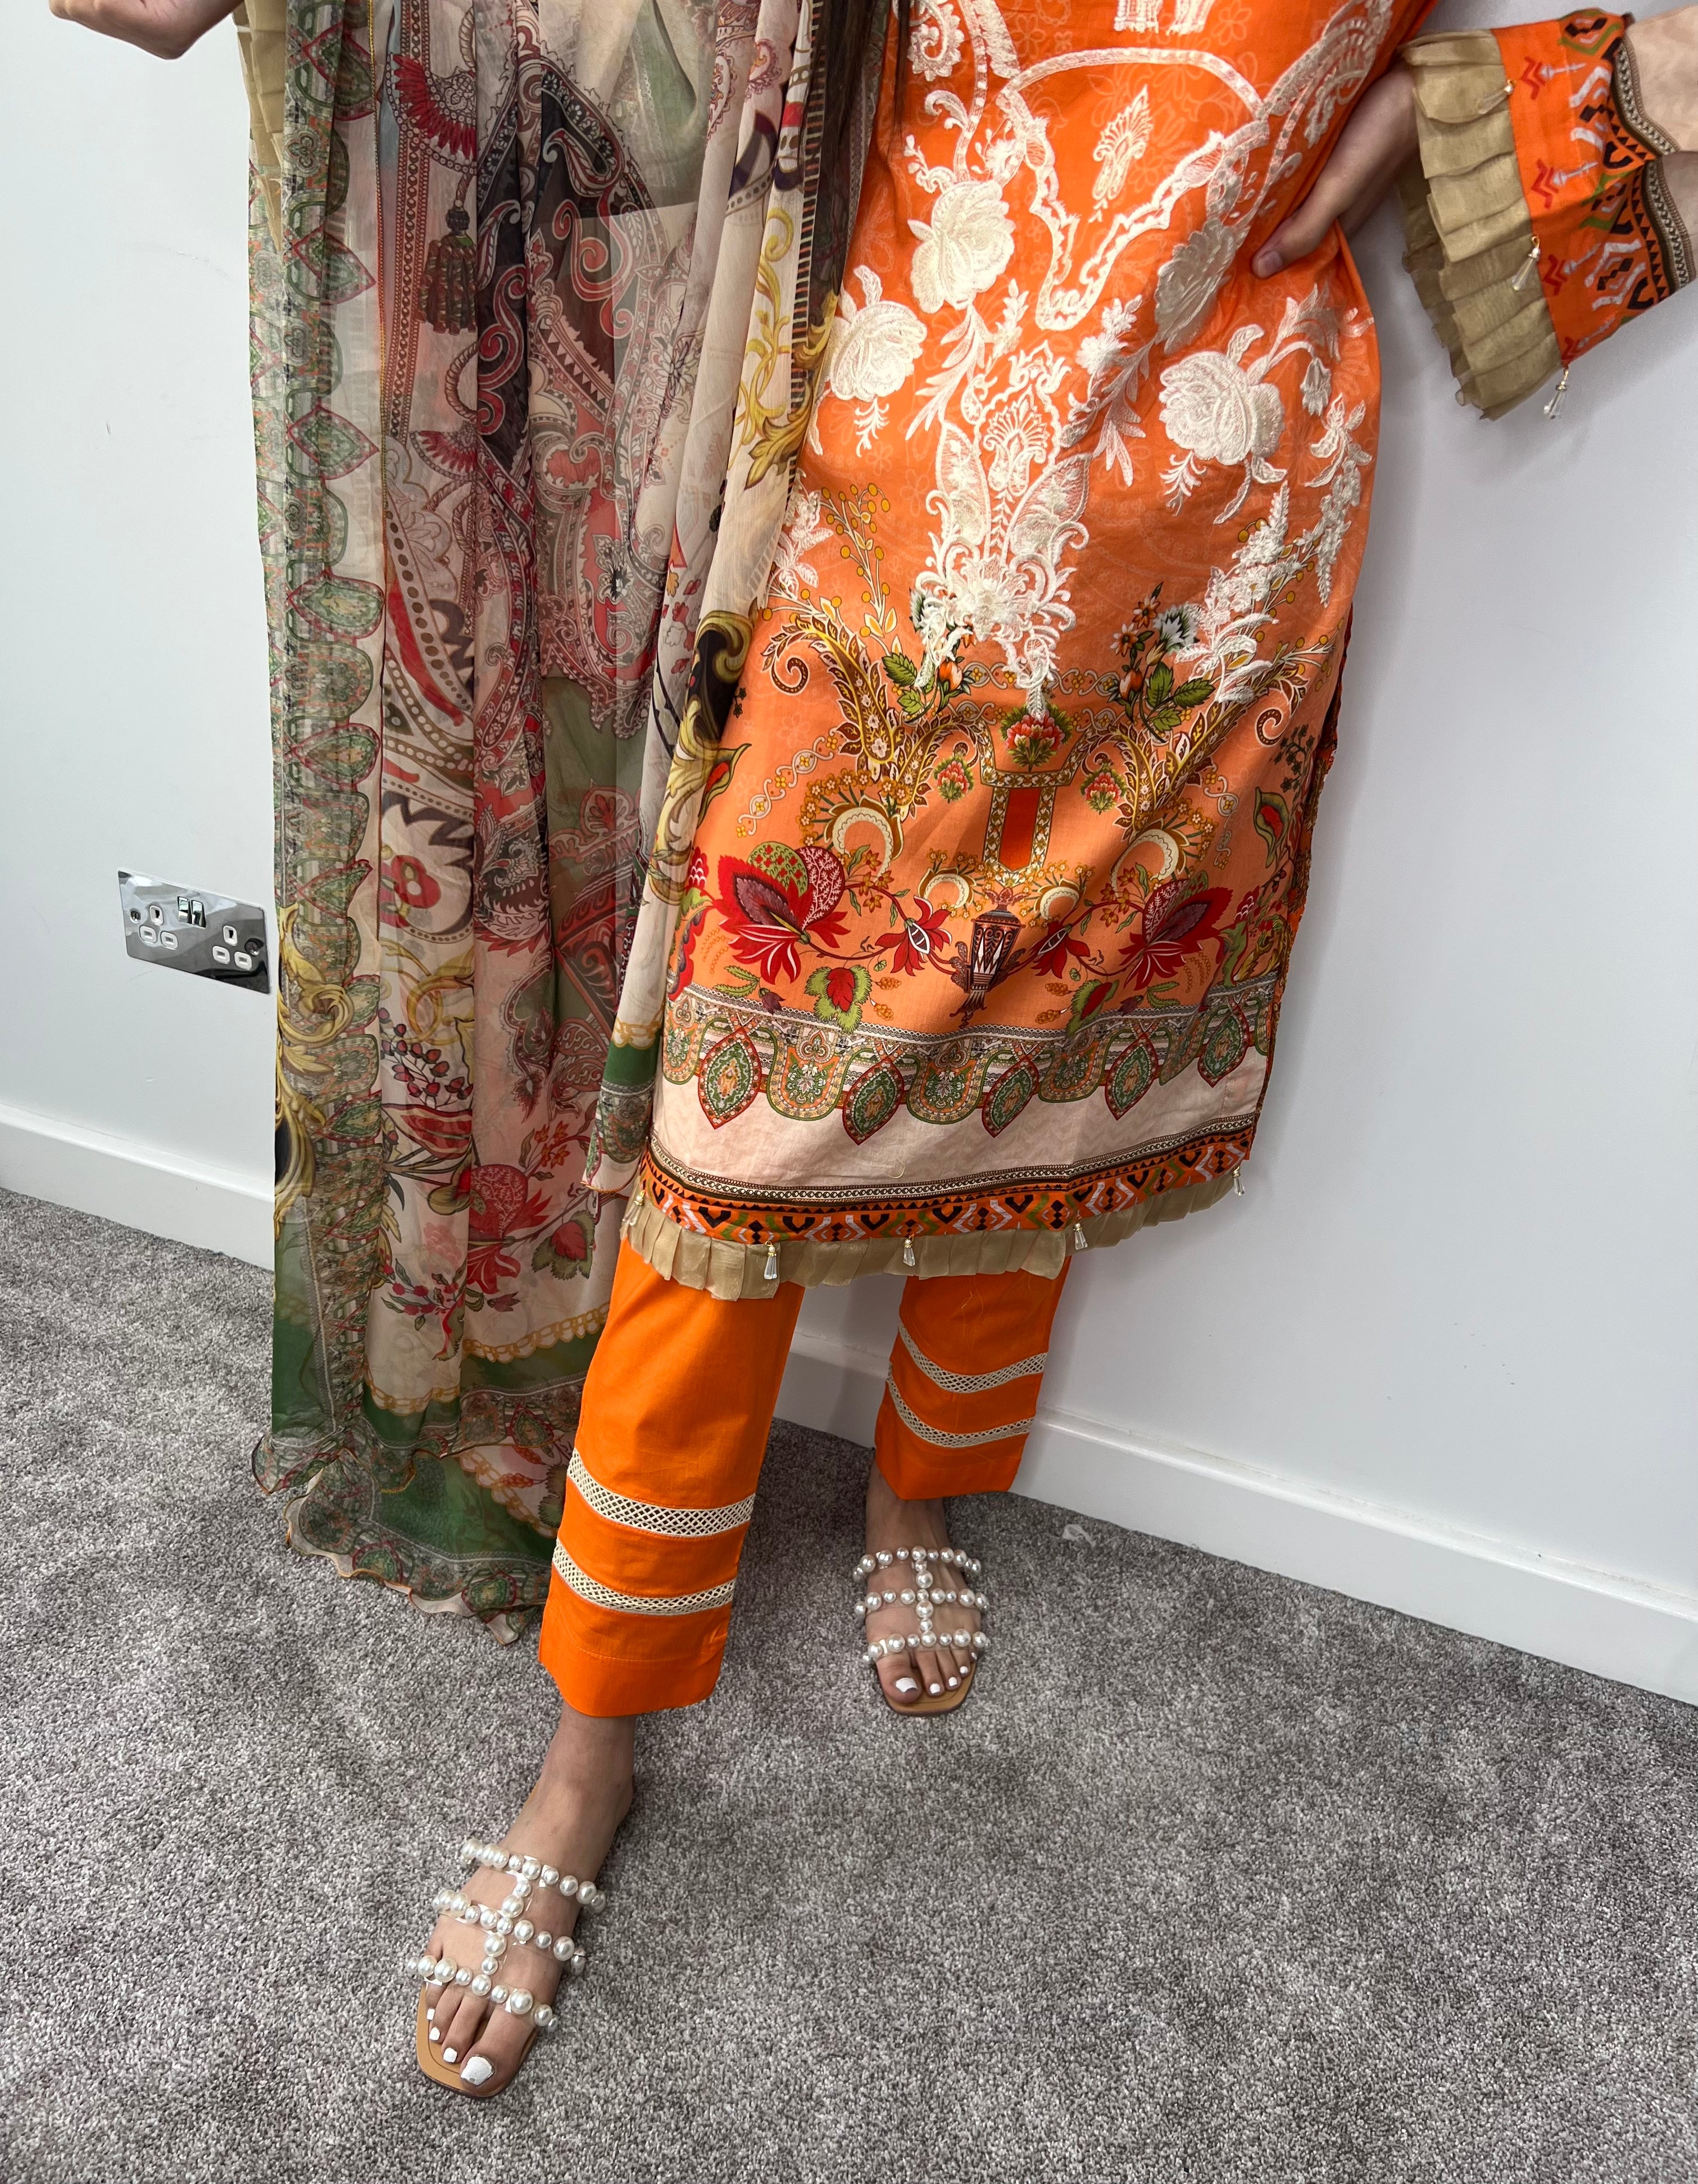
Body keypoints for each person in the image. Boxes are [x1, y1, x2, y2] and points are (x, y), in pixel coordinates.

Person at [52, 0, 1696, 2100]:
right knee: (736, 1142)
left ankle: (924, 1492)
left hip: (1214, 508)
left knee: (1052, 1059)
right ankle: (589, 1743)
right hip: (882, 472)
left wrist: (1488, 109)